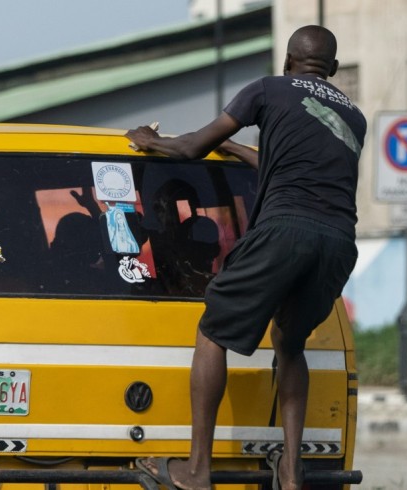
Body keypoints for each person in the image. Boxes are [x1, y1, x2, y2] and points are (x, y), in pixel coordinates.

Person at [126, 25, 365, 490]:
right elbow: (288, 166)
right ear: (332, 70)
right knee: (290, 344)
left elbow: (193, 146)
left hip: (284, 230)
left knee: (213, 329)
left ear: (287, 61)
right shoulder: (353, 116)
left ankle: (197, 471)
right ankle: (292, 473)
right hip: (338, 242)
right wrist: (235, 149)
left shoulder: (268, 89)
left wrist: (150, 141)